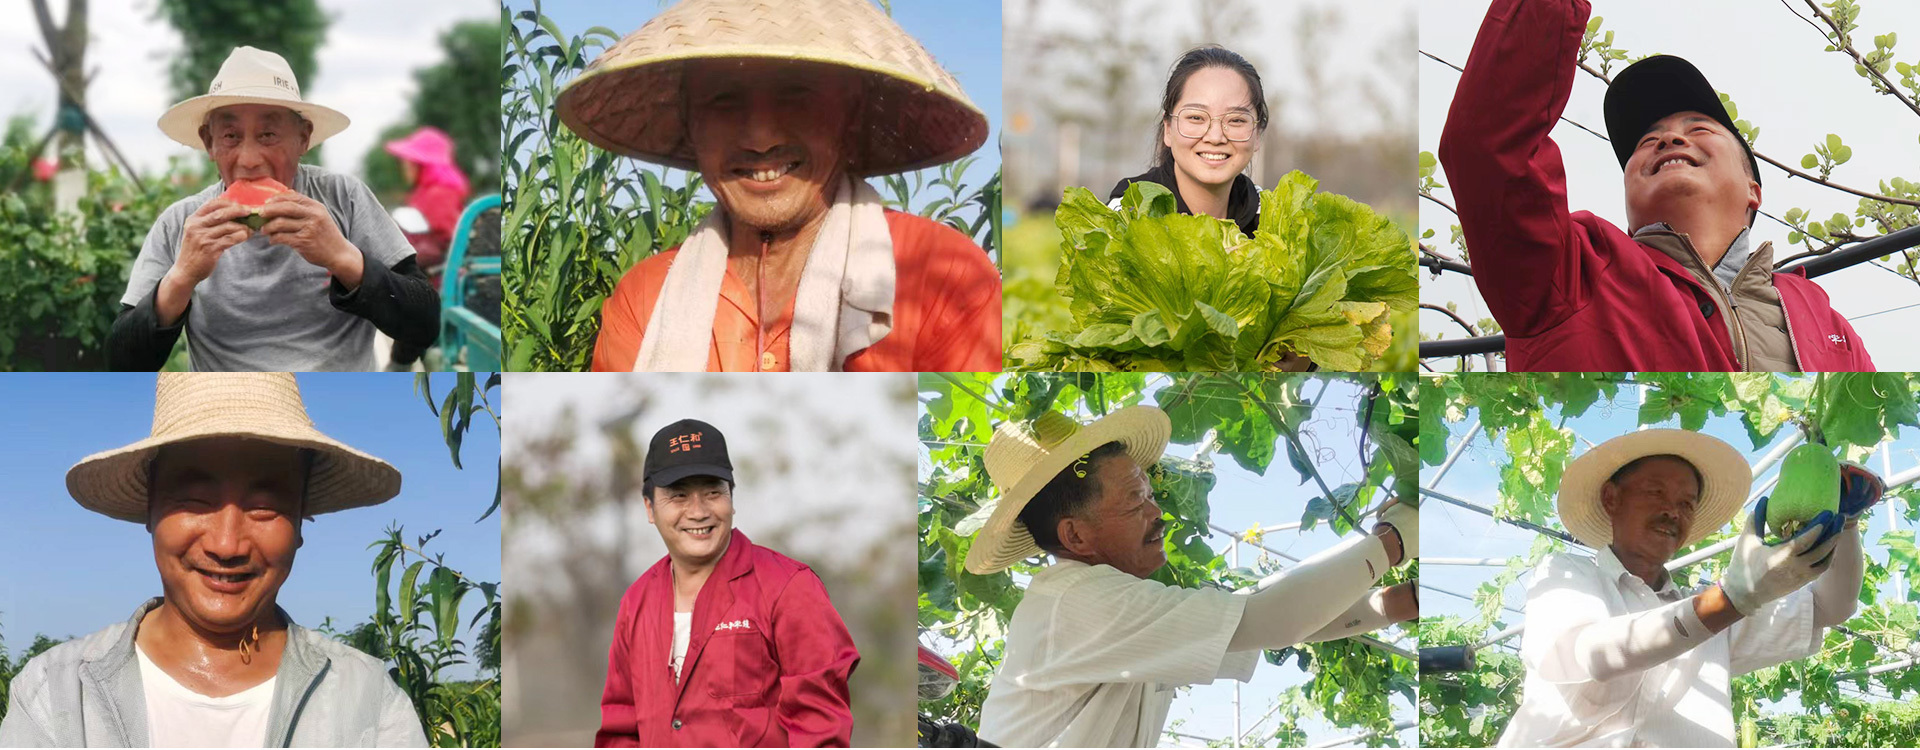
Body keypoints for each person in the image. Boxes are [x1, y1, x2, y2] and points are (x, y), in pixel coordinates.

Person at [562, 0, 1002, 372]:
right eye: (724, 99)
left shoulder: (943, 276)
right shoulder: (644, 300)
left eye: (797, 93)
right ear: (690, 124)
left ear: (847, 116)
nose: (760, 136)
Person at [1438, 0, 1873, 372]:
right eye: (1647, 141)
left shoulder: (1827, 323)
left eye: (1699, 128)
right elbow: (1487, 147)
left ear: (1753, 189)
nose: (1668, 139)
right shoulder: (1569, 270)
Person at [0, 373, 426, 747]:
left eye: (265, 507)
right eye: (194, 501)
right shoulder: (55, 694)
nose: (227, 544)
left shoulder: (368, 703)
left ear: (300, 521)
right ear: (151, 511)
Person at [965, 407, 1418, 747]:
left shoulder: (1108, 609)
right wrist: (1392, 542)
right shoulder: (1078, 601)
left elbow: (1265, 624)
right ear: (1075, 535)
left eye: (1149, 494)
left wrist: (1397, 604)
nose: (1156, 512)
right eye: (1135, 500)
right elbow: (1271, 618)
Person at [1498, 430, 1880, 747]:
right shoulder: (1567, 573)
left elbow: (1830, 608)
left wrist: (1846, 522)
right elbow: (1592, 654)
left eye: (1687, 503)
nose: (1673, 511)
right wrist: (1730, 599)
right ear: (1611, 498)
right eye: (1656, 493)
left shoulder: (1710, 614)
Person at [109, 46, 440, 372]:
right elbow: (122, 364)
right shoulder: (180, 224)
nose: (249, 159)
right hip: (231, 409)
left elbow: (425, 323)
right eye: (230, 136)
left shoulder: (344, 198)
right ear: (209, 142)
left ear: (303, 138)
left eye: (268, 134)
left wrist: (343, 257)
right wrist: (181, 277)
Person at [597, 419, 860, 747]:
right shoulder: (637, 602)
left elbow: (821, 729)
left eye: (712, 492)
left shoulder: (788, 587)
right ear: (650, 508)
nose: (698, 511)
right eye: (678, 496)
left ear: (731, 499)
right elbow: (620, 729)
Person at [1109, 46, 1266, 238]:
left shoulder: (1273, 221)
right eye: (1196, 118)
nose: (1215, 137)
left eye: (1236, 120)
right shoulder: (1128, 213)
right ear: (1168, 128)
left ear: (1257, 134)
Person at [383, 126, 473, 368]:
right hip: (431, 276)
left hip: (439, 281)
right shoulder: (427, 193)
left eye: (409, 162)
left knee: (412, 320)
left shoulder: (437, 195)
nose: (405, 168)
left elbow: (450, 241)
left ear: (422, 165)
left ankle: (399, 365)